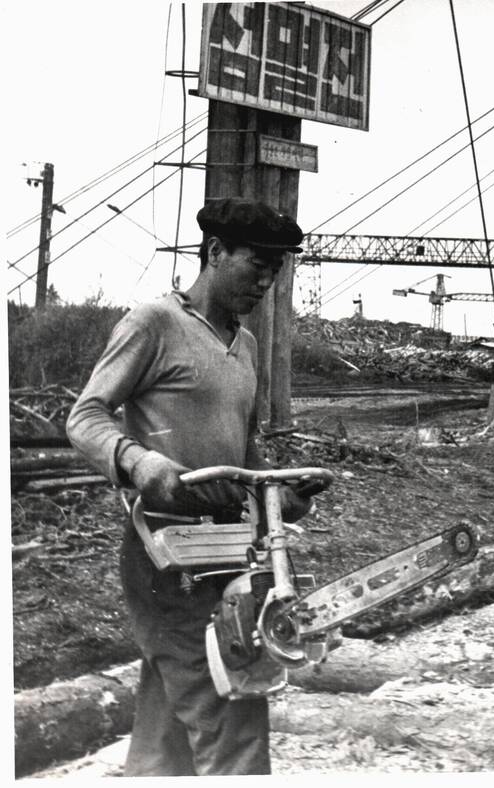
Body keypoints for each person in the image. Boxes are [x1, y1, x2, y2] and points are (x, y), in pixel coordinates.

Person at [66, 198, 323, 776]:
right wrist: (139, 464)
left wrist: (278, 494)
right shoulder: (154, 323)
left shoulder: (247, 346)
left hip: (230, 555)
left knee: (167, 737)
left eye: (276, 272)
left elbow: (243, 452)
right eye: (256, 266)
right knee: (233, 715)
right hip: (166, 558)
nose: (266, 282)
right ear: (215, 252)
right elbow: (85, 418)